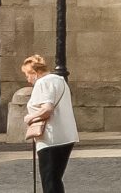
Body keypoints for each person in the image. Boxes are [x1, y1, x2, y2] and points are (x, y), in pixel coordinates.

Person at [24, 54, 78, 193]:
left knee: (50, 181)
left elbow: (47, 108)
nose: (27, 79)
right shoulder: (60, 80)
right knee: (55, 178)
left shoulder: (42, 83)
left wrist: (30, 117)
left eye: (27, 75)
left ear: (35, 73)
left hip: (51, 138)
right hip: (66, 136)